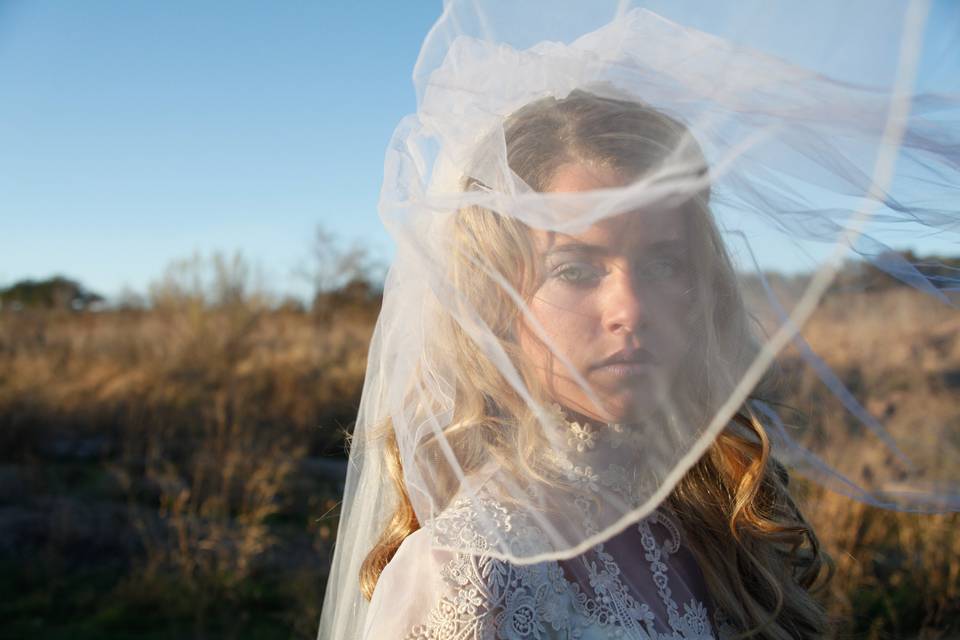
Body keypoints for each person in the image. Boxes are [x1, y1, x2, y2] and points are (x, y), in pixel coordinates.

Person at [318, 4, 960, 639]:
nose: (632, 310)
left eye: (663, 264)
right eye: (574, 269)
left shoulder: (706, 510)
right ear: (494, 303)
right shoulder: (469, 574)